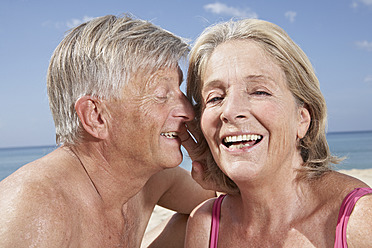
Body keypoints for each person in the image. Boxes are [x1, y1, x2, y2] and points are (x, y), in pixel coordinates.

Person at [0, 14, 214, 248]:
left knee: (208, 218)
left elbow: (221, 199)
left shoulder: (148, 178)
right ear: (96, 117)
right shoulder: (34, 210)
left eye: (179, 90)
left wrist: (208, 162)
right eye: (161, 95)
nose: (189, 111)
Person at [185, 19, 372, 247]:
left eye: (259, 92)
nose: (231, 111)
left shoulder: (359, 221)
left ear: (302, 119)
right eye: (215, 98)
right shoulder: (205, 225)